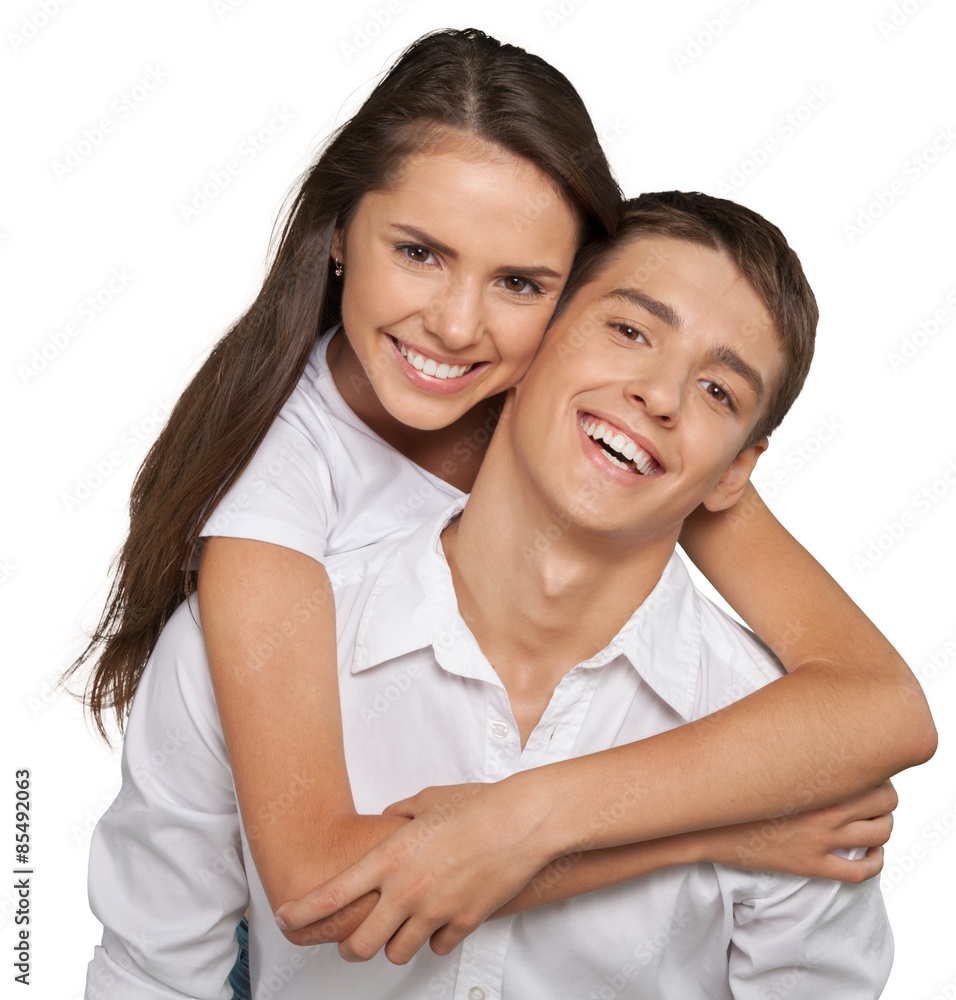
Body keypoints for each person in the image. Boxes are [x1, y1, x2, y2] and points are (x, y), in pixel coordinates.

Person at [68, 25, 933, 989]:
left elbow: (884, 707)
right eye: (420, 252)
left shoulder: (624, 433)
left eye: (519, 281)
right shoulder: (273, 518)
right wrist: (702, 835)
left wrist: (530, 817)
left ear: (556, 303)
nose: (458, 323)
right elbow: (317, 888)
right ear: (340, 234)